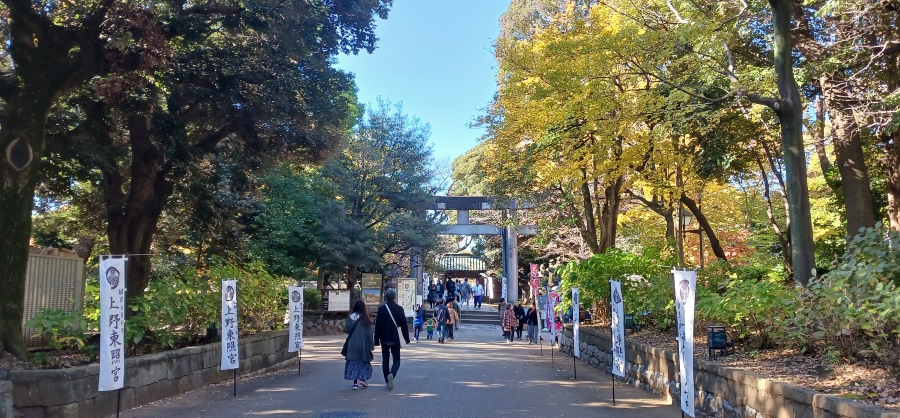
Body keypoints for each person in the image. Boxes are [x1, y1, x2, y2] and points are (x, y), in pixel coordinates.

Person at [374, 288, 410, 390]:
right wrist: (406, 338)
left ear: (386, 296)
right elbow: (404, 325)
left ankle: (387, 380)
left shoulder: (381, 309)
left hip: (384, 338)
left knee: (385, 360)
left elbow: (378, 326)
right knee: (397, 360)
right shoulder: (399, 308)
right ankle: (392, 374)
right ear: (395, 297)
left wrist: (376, 340)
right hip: (395, 337)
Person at [343, 299, 374, 390]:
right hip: (363, 345)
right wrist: (371, 345)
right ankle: (363, 380)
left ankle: (355, 383)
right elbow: (369, 334)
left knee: (353, 362)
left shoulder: (351, 317)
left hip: (352, 344)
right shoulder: (366, 319)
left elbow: (347, 329)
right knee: (364, 362)